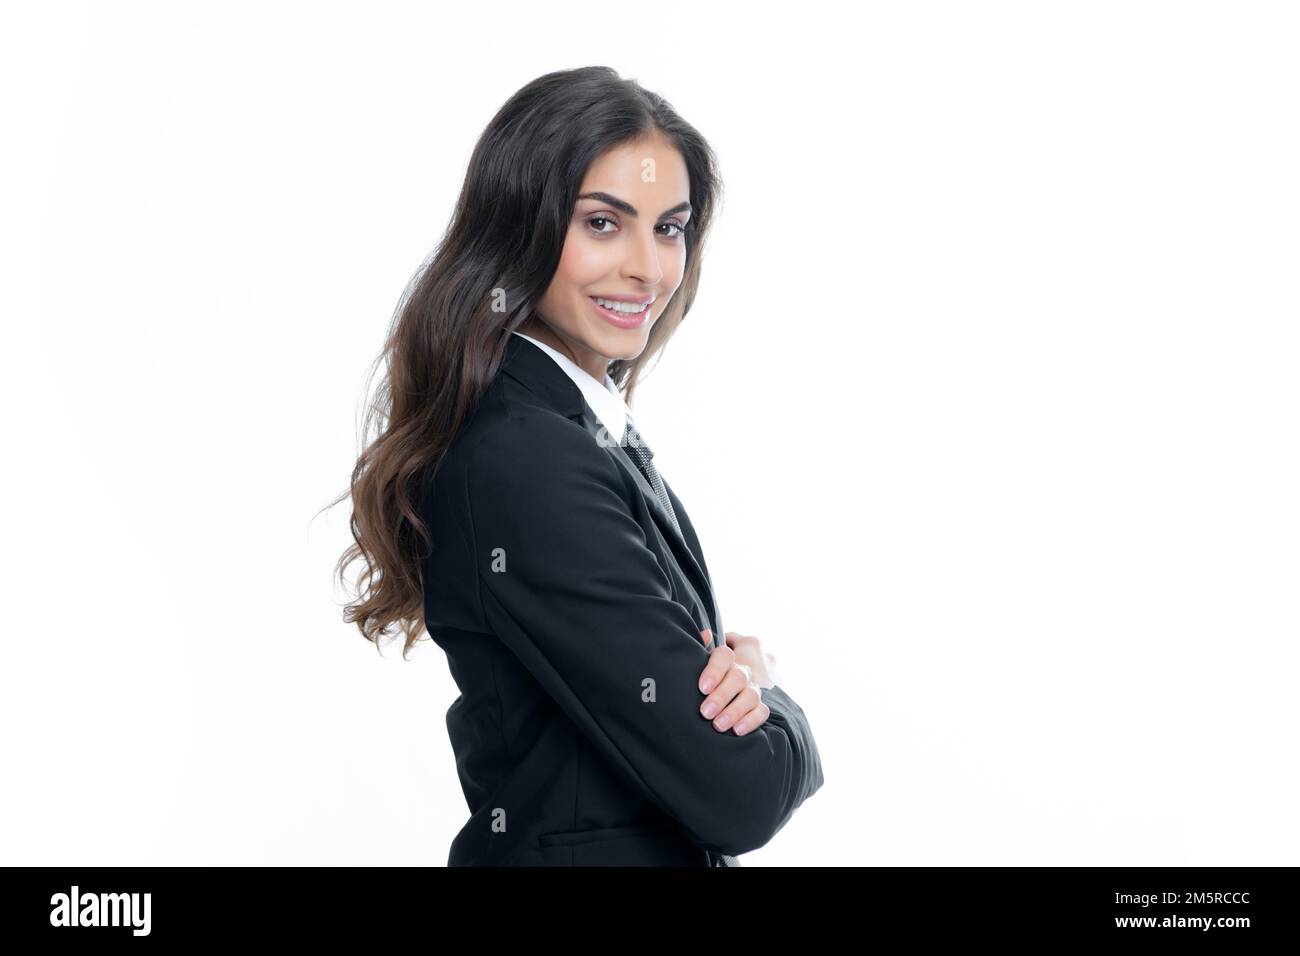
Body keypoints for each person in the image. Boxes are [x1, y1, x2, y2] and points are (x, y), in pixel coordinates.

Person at [335, 66, 824, 866]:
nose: (646, 267)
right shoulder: (527, 459)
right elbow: (740, 789)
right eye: (603, 223)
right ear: (517, 231)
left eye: (670, 227)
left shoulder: (577, 431)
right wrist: (770, 696)